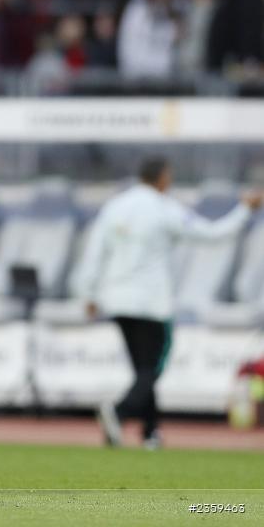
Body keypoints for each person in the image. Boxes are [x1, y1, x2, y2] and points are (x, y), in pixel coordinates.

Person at [76, 158, 262, 449]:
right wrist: (244, 210)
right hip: (152, 303)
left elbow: (95, 252)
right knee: (152, 369)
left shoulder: (115, 207)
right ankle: (119, 412)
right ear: (162, 178)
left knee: (142, 371)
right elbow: (212, 234)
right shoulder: (164, 208)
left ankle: (151, 433)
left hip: (118, 301)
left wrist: (88, 293)